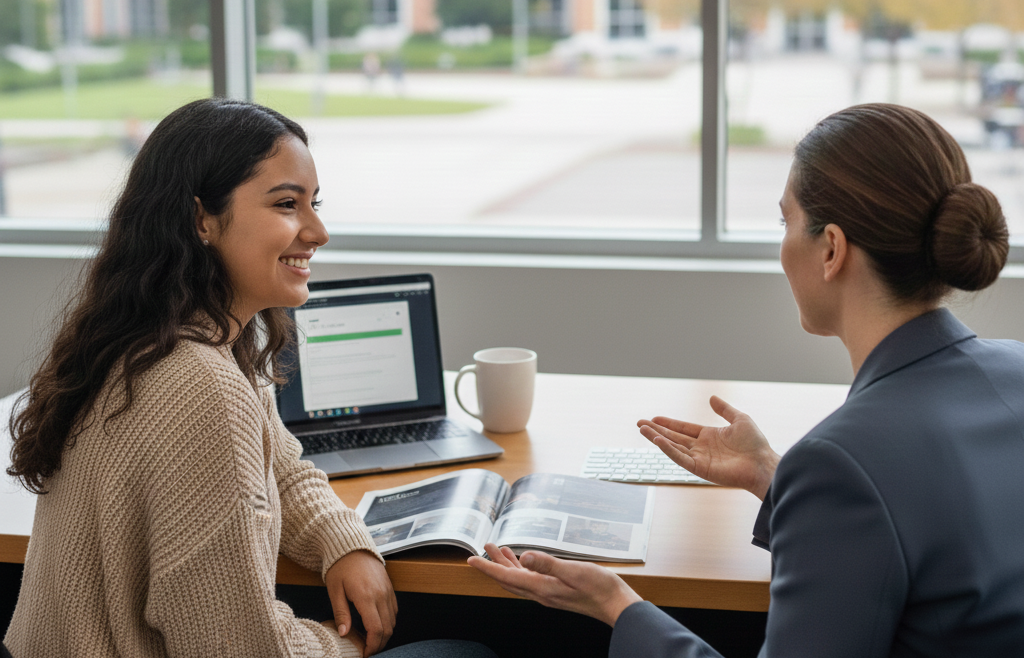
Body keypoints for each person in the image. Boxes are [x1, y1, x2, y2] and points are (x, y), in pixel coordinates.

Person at [469, 103, 1024, 655]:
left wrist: (619, 607)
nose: (781, 246)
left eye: (785, 221)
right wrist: (771, 476)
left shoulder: (841, 460)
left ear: (831, 249)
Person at [4, 98, 495, 658]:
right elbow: (238, 649)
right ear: (201, 220)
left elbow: (279, 462)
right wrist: (348, 645)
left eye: (314, 203)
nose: (318, 231)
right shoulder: (198, 387)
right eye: (287, 204)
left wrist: (344, 544)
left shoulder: (160, 336)